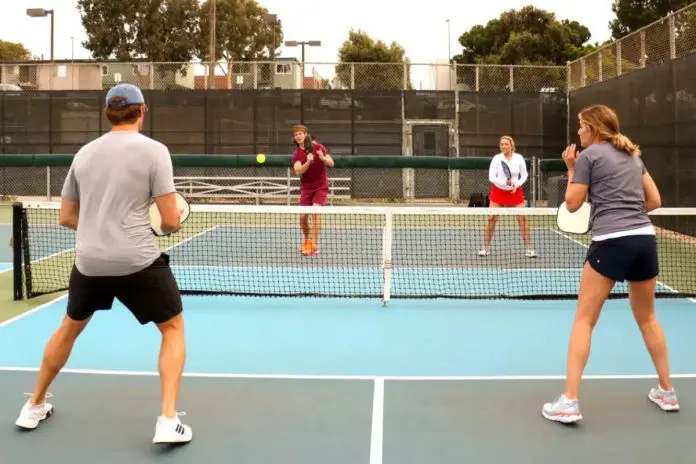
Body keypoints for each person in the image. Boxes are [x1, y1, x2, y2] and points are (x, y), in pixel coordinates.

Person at [14, 83, 193, 444]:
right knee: (172, 330)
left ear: (108, 113)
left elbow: (66, 216)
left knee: (68, 328)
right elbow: (171, 219)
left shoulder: (84, 154)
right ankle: (168, 420)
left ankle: (33, 405)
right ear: (142, 111)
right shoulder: (155, 151)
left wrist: (101, 225)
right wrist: (161, 225)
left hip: (90, 262)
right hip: (138, 261)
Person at [542, 104, 678, 424]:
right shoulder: (633, 156)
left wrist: (572, 168)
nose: (577, 132)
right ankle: (667, 391)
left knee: (584, 320)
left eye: (580, 126)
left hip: (612, 242)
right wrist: (627, 210)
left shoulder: (590, 156)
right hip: (644, 239)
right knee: (648, 318)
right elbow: (655, 201)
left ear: (592, 128)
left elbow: (573, 204)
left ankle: (569, 402)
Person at [478, 136, 537, 258]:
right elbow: (491, 177)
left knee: (523, 219)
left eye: (506, 144)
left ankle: (529, 249)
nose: (503, 146)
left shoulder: (519, 158)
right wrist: (505, 184)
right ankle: (486, 248)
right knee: (491, 219)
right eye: (501, 144)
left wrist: (516, 185)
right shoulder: (497, 158)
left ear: (511, 145)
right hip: (498, 191)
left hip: (515, 192)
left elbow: (524, 175)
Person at [291, 125, 334, 256]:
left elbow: (331, 163)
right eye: (296, 134)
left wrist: (323, 158)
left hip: (321, 186)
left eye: (300, 133)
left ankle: (314, 245)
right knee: (303, 217)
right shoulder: (296, 154)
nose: (298, 136)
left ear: (306, 135)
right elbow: (298, 171)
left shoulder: (319, 147)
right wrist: (308, 162)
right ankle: (307, 241)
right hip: (306, 188)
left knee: (315, 213)